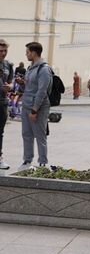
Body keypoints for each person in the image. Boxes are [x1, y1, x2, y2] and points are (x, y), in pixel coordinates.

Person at [19, 42, 52, 170]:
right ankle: (27, 160)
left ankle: (43, 162)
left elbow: (42, 91)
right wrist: (22, 83)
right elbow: (30, 86)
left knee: (40, 135)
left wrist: (34, 110)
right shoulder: (30, 67)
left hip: (38, 108)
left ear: (34, 53)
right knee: (26, 134)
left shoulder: (44, 69)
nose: (26, 54)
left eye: (27, 52)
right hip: (26, 105)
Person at [0, 39, 13, 170]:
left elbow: (10, 82)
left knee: (0, 132)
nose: (3, 53)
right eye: (1, 51)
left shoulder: (8, 65)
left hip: (2, 102)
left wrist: (10, 86)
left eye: (5, 51)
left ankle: (0, 158)